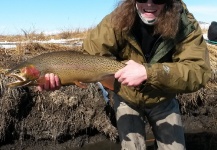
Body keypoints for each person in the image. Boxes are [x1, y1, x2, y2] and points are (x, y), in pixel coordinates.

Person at [37, 0, 211, 149]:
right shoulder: (117, 19)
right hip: (127, 97)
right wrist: (61, 77)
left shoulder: (184, 24)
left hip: (163, 99)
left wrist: (149, 72)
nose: (149, 3)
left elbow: (199, 72)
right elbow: (86, 58)